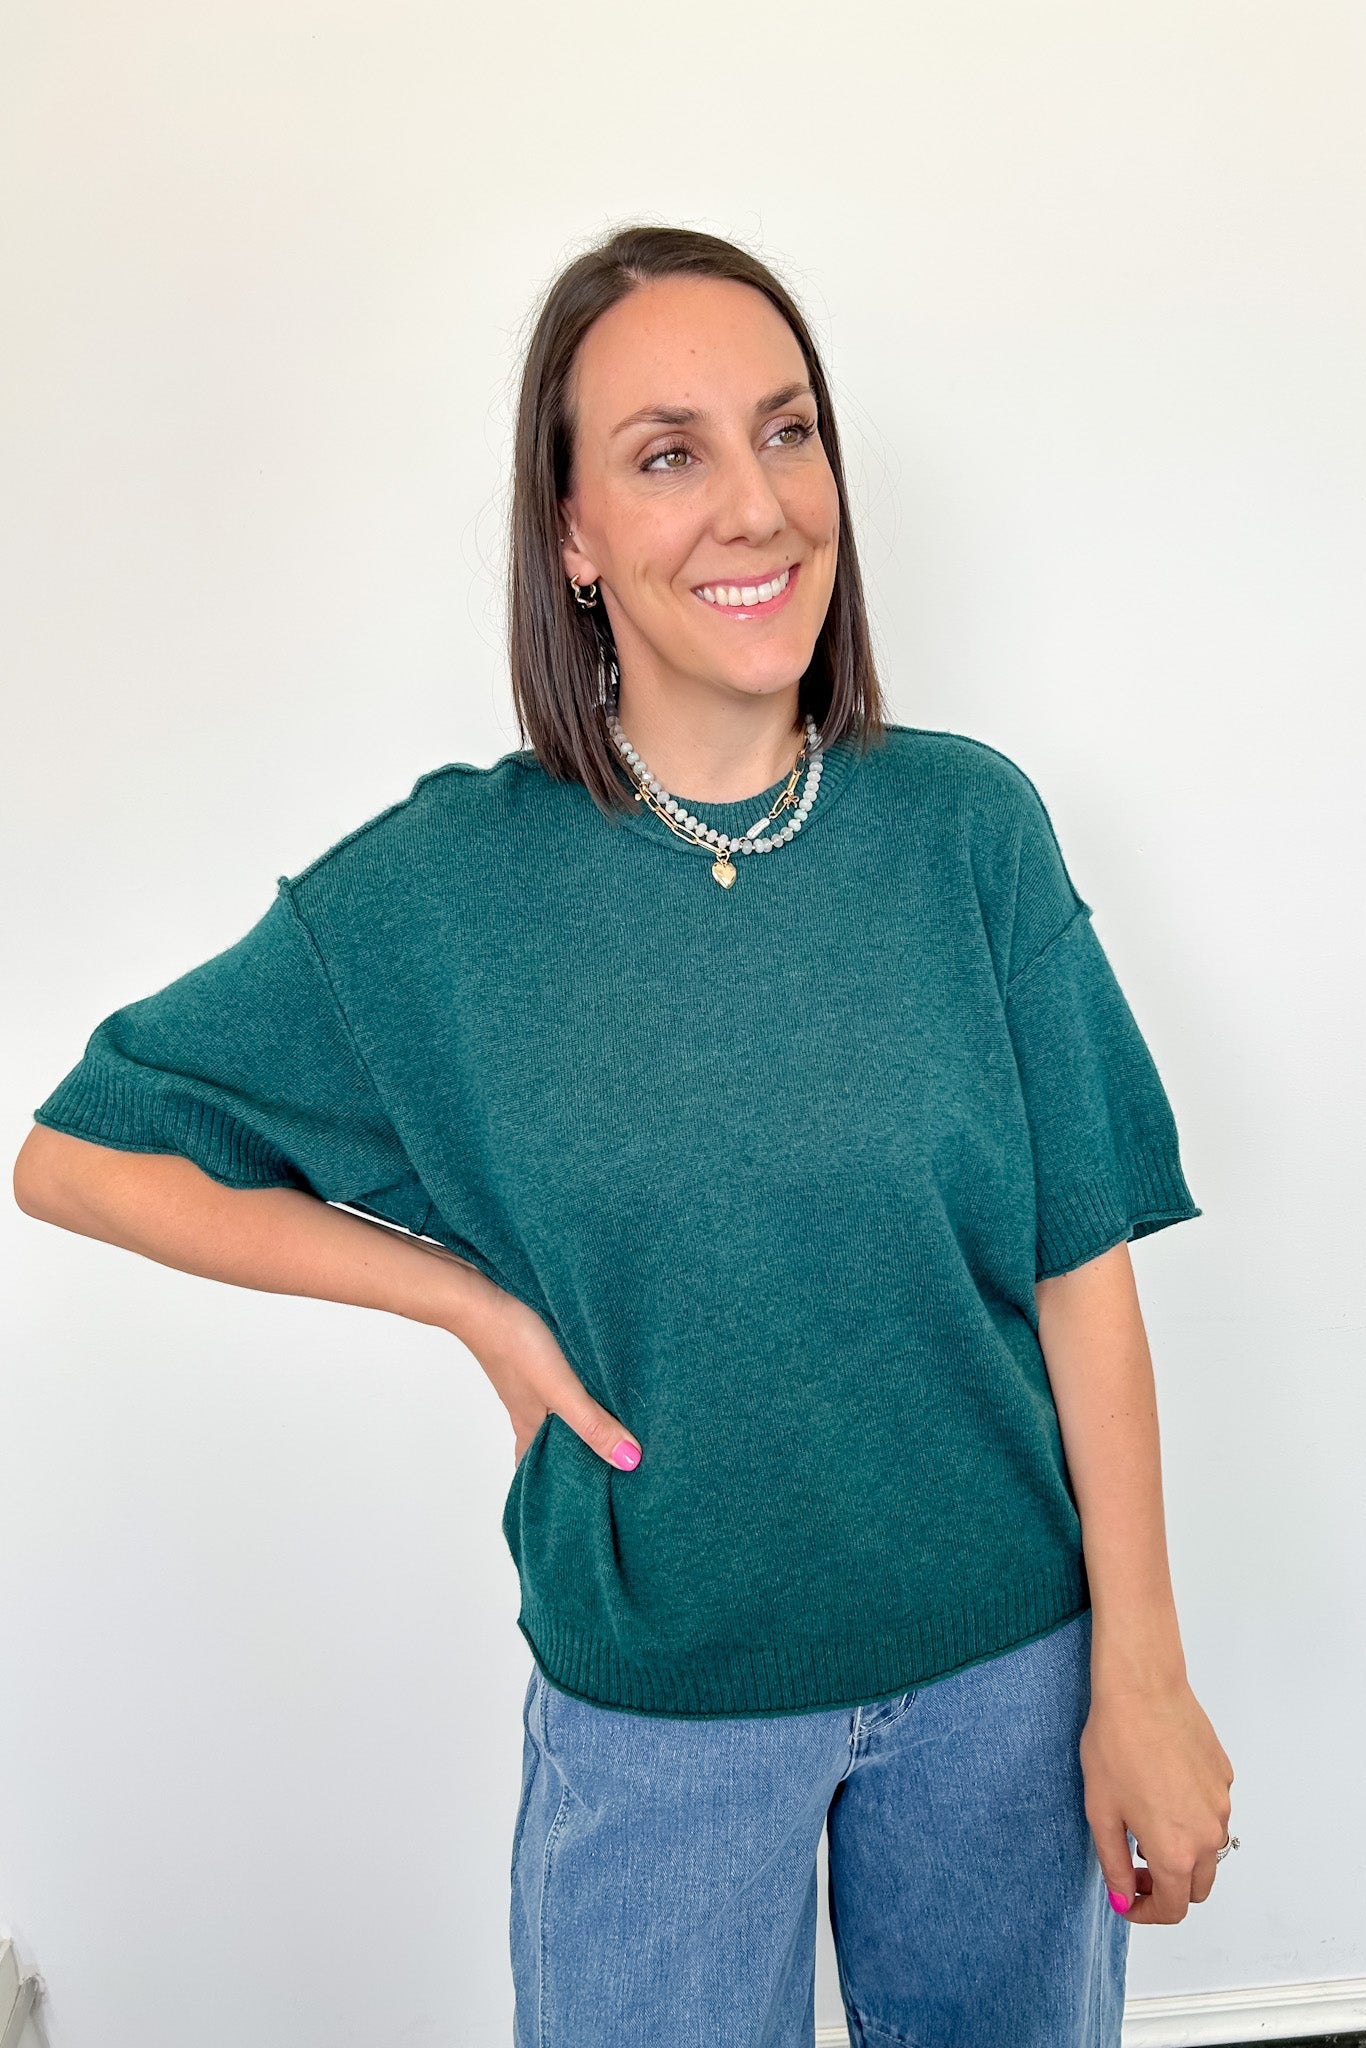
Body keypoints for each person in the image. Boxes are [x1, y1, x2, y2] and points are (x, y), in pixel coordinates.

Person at [13, 223, 1236, 2047]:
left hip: (1008, 1677)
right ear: (573, 535)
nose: (754, 505)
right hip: (659, 1718)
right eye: (669, 454)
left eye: (788, 432)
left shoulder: (969, 832)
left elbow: (1079, 1266)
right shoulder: (443, 896)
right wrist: (472, 1307)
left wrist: (1140, 1666)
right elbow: (81, 1154)